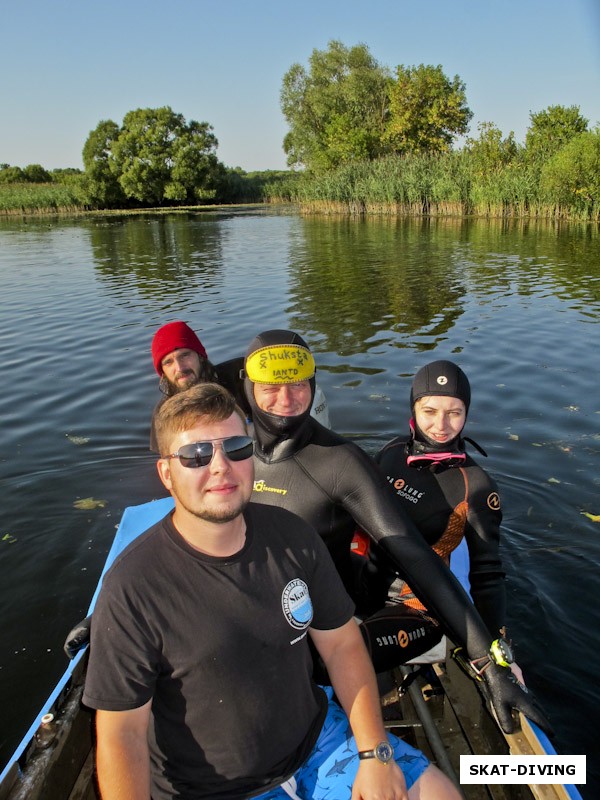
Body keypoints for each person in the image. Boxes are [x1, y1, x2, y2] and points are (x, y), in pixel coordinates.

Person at [82, 383, 459, 800]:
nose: (221, 466)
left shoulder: (292, 536)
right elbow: (121, 734)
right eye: (196, 455)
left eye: (236, 447)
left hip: (316, 743)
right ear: (166, 474)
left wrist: (375, 753)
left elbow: (342, 647)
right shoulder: (132, 586)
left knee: (440, 794)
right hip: (210, 788)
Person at [242, 329, 550, 736]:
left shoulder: (346, 463)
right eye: (271, 386)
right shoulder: (231, 451)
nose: (286, 398)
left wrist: (493, 658)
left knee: (314, 659)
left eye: (298, 384)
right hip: (337, 597)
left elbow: (430, 560)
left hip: (402, 610)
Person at [373, 360, 523, 679]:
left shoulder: (476, 486)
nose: (441, 425)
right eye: (429, 411)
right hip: (362, 583)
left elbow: (488, 575)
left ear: (466, 414)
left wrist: (498, 652)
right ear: (413, 409)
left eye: (454, 412)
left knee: (346, 653)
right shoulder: (391, 452)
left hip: (420, 608)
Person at [149, 320, 329, 452]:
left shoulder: (238, 375)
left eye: (185, 355)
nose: (180, 367)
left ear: (200, 356)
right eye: (168, 362)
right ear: (162, 372)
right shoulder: (164, 413)